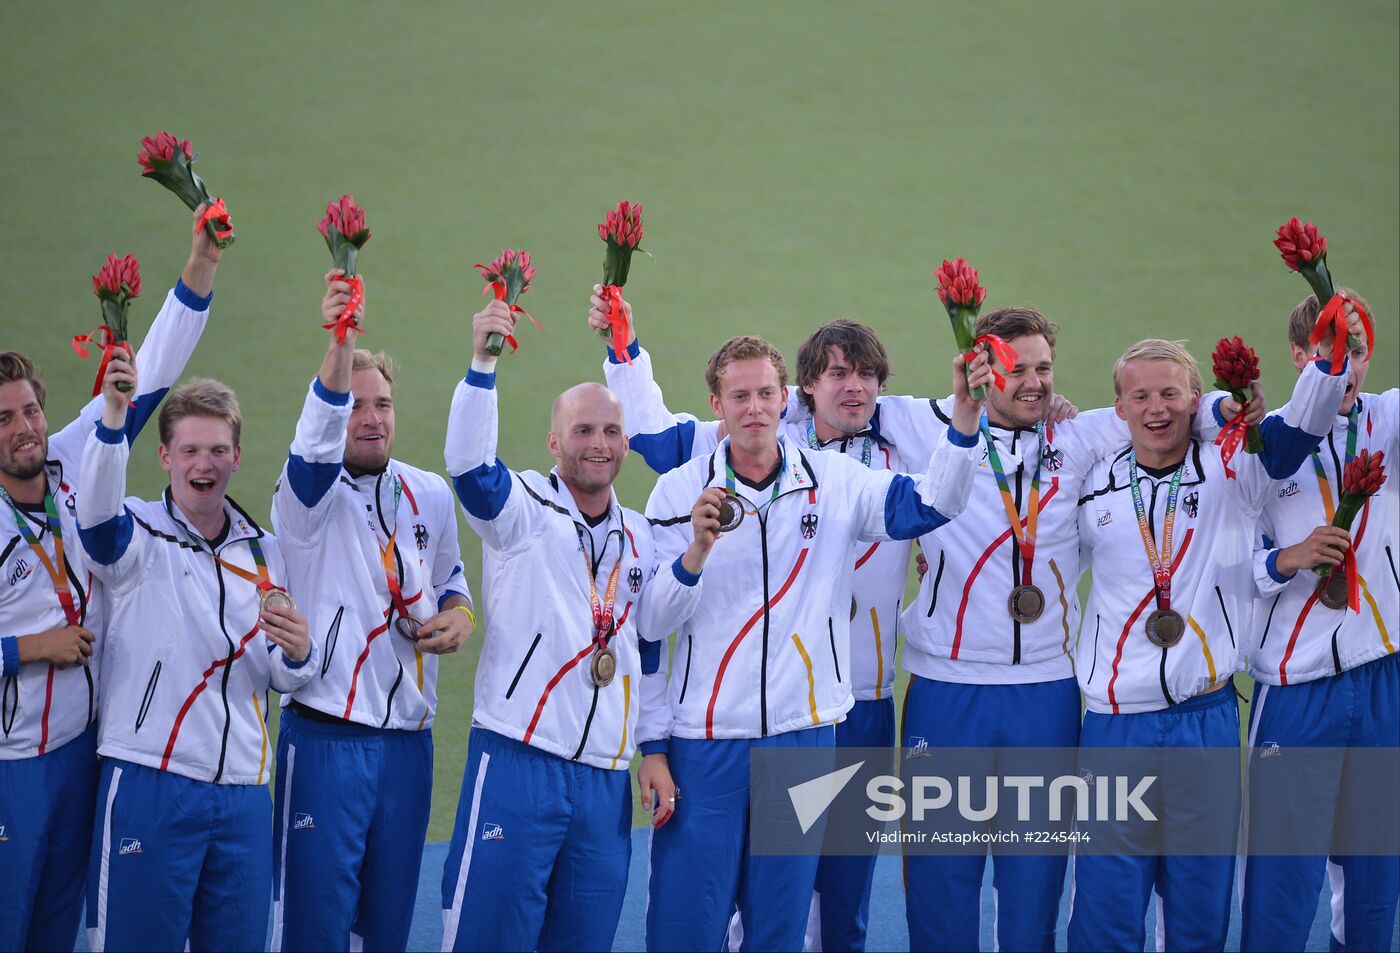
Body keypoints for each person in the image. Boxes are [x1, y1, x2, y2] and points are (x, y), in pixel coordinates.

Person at [638, 333, 986, 952]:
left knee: (780, 925)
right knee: (687, 925)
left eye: (764, 394)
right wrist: (695, 553)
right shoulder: (678, 490)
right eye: (739, 396)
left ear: (784, 400)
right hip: (705, 739)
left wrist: (963, 418)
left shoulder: (838, 480)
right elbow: (651, 623)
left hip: (802, 736)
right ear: (716, 404)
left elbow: (934, 503)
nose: (753, 408)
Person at [1066, 337, 1346, 952]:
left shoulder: (1233, 471)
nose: (1156, 408)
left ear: (1196, 399)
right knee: (1105, 911)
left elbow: (1302, 426)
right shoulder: (1092, 488)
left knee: (1199, 909)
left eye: (1170, 393)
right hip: (1115, 726)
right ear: (1119, 408)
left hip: (1207, 719)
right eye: (1141, 396)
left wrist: (1331, 356)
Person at [0, 206, 222, 953]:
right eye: (4, 420)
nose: (25, 428)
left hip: (87, 748)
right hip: (13, 763)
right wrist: (32, 647)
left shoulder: (75, 454)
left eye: (31, 410)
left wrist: (201, 265)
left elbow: (152, 370)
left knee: (59, 926)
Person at [438, 299, 674, 952]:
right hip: (519, 758)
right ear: (553, 441)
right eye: (582, 430)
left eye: (611, 431)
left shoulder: (640, 536)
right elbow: (468, 467)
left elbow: (647, 649)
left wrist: (652, 748)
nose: (598, 444)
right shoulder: (521, 510)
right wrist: (483, 364)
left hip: (604, 779)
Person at [269, 271, 475, 953]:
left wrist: (460, 614)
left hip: (409, 745)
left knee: (386, 927)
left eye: (382, 404)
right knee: (315, 927)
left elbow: (451, 578)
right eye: (356, 405)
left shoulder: (429, 493)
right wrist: (340, 341)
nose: (371, 418)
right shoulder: (305, 497)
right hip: (326, 739)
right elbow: (315, 437)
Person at [77, 365, 313, 952]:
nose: (203, 465)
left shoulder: (265, 553)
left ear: (237, 456)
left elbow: (279, 672)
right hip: (151, 781)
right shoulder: (135, 534)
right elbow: (95, 518)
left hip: (244, 792)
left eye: (217, 450)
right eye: (189, 451)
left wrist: (299, 653)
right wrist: (113, 419)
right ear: (164, 457)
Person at [1237, 292, 1398, 953]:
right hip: (1296, 685)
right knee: (1282, 876)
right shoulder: (1264, 444)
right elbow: (1222, 568)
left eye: (1355, 351)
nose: (1345, 367)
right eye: (1328, 353)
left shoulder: (1388, 419)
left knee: (1375, 874)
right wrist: (1286, 559)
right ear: (1299, 357)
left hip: (1384, 674)